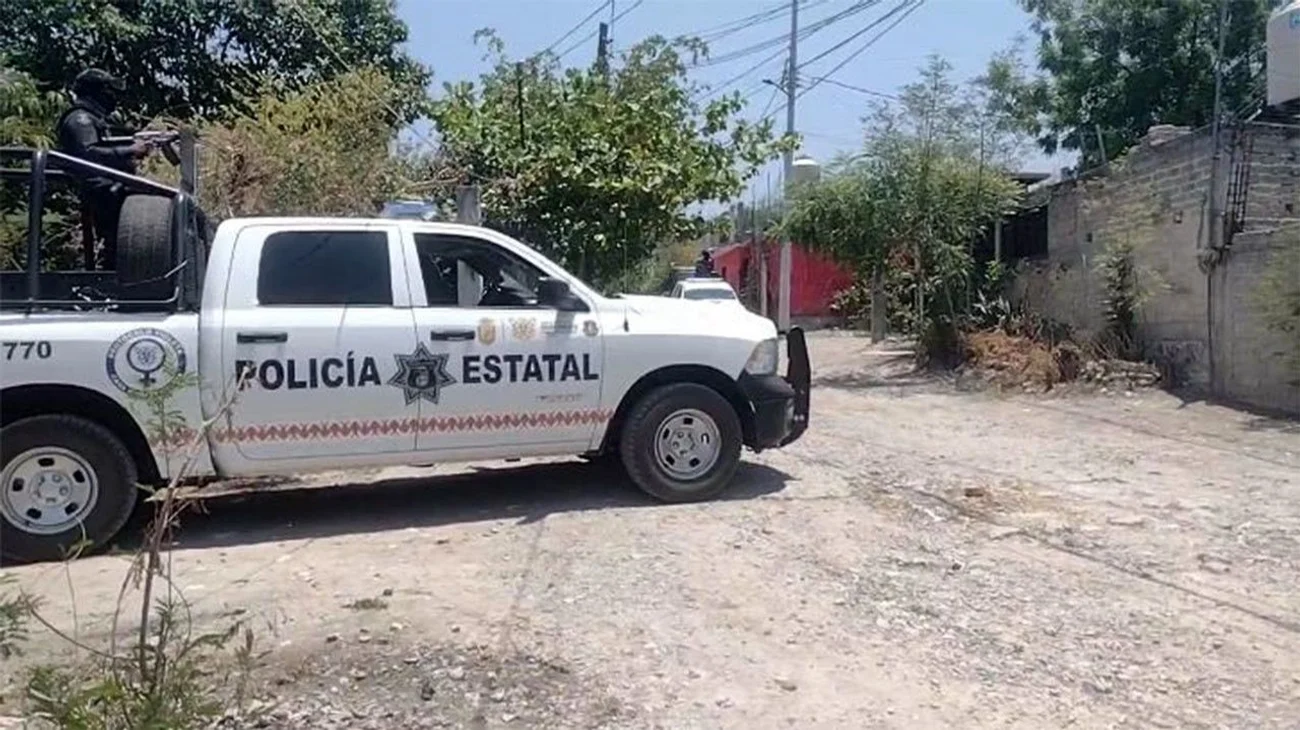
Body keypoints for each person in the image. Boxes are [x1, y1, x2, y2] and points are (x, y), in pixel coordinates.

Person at [54, 68, 150, 269]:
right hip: (100, 189)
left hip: (107, 185)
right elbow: (88, 153)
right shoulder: (80, 119)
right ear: (96, 92)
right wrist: (130, 150)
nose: (113, 96)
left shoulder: (94, 118)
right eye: (109, 90)